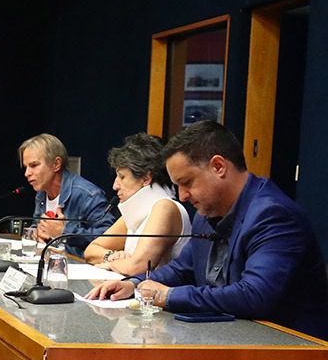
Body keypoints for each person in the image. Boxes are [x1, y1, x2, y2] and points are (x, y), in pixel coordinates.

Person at [87, 121, 328, 340]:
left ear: (219, 166)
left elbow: (255, 295)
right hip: (228, 340)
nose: (182, 196)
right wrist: (134, 284)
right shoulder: (206, 213)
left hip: (289, 352)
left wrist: (168, 296)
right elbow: (183, 269)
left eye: (187, 182)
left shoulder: (274, 215)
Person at [83, 133, 191, 276]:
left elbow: (136, 268)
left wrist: (108, 263)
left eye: (122, 177)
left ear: (146, 178)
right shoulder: (136, 212)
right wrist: (111, 256)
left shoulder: (165, 207)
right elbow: (91, 251)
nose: (115, 186)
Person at [20, 133, 117, 254]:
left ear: (56, 164)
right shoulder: (41, 193)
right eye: (26, 167)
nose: (27, 173)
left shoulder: (87, 194)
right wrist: (36, 233)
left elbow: (109, 236)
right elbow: (39, 226)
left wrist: (64, 231)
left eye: (34, 165)